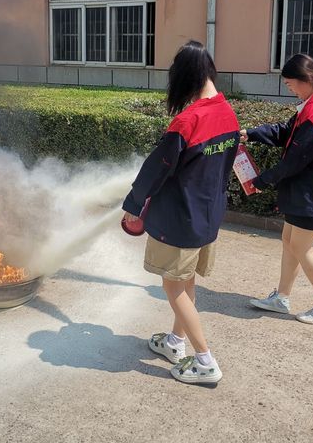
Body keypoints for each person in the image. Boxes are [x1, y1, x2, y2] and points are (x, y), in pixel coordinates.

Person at [123, 40, 239, 385]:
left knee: (173, 287)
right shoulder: (228, 114)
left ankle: (205, 361)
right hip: (207, 217)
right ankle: (175, 341)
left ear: (185, 76)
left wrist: (133, 206)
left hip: (178, 219)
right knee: (185, 282)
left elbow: (154, 170)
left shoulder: (187, 122)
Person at [241, 53, 313, 325]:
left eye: (289, 84)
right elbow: (286, 132)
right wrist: (251, 134)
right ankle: (282, 297)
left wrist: (261, 181)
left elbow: (294, 161)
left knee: (301, 248)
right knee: (290, 242)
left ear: (305, 80)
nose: (289, 89)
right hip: (307, 192)